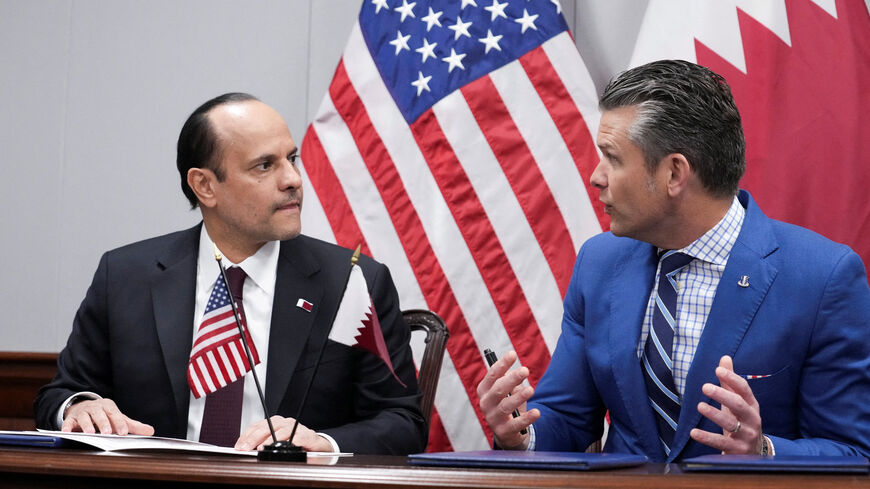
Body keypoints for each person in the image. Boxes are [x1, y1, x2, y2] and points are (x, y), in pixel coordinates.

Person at [477, 60, 870, 462]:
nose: (596, 177)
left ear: (674, 173)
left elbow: (854, 451)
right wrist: (520, 434)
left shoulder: (822, 277)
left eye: (612, 158)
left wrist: (763, 451)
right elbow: (570, 420)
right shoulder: (599, 263)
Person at [34, 93, 427, 455]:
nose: (292, 179)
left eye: (292, 159)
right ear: (205, 186)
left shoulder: (352, 282)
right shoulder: (124, 277)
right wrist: (80, 406)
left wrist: (321, 441)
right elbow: (59, 396)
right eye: (264, 166)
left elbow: (403, 422)